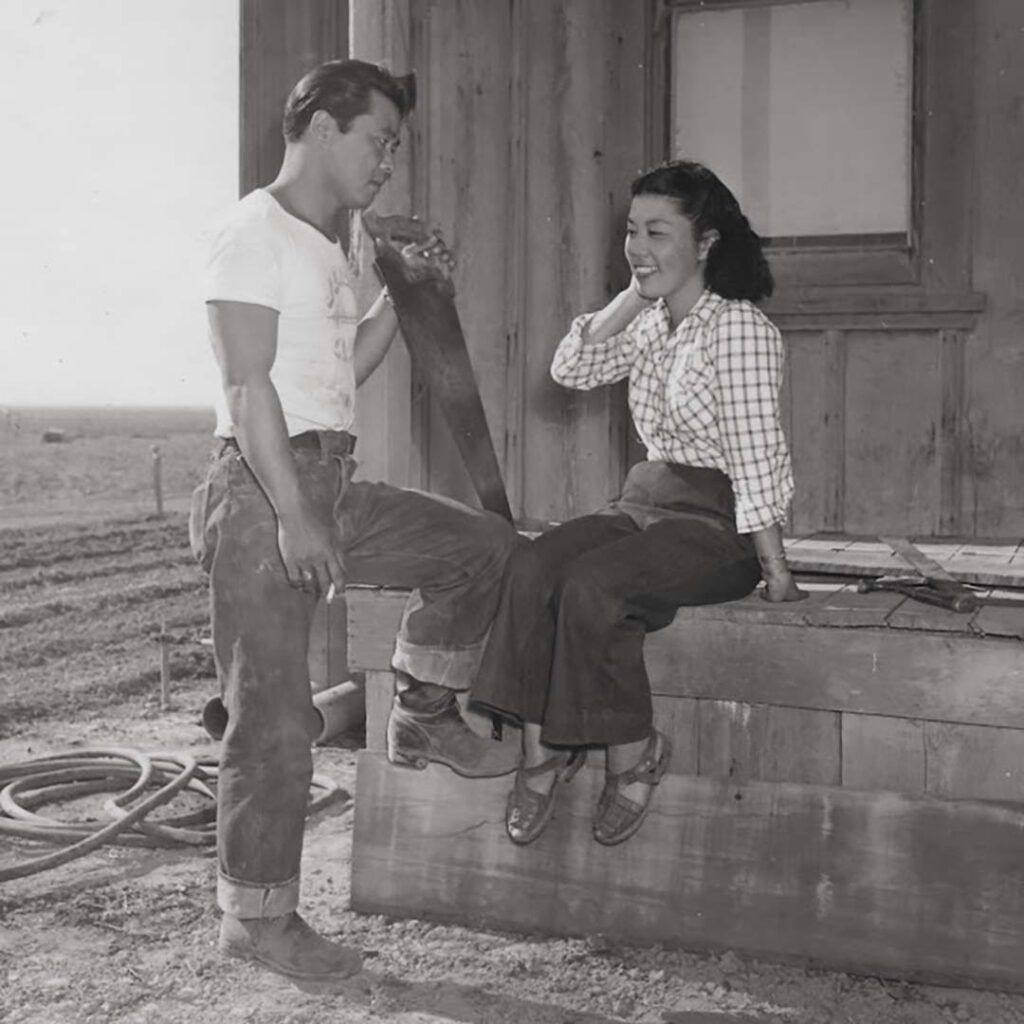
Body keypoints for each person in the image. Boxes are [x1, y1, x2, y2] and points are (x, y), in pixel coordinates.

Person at [189, 59, 518, 990]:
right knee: (274, 717)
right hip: (262, 493)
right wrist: (295, 516)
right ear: (324, 129)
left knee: (481, 548)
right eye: (380, 140)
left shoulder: (338, 246)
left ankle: (421, 710)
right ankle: (257, 919)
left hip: (328, 477)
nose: (387, 163)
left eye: (394, 147)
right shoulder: (250, 232)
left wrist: (400, 298)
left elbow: (339, 373)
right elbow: (246, 386)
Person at [472, 159, 805, 850]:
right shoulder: (655, 324)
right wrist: (635, 291)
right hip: (644, 501)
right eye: (631, 231)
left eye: (658, 232)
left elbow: (753, 451)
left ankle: (633, 755)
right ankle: (543, 753)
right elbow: (573, 368)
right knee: (532, 566)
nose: (638, 245)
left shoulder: (737, 329)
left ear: (706, 243)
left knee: (596, 585)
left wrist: (775, 570)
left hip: (718, 525)